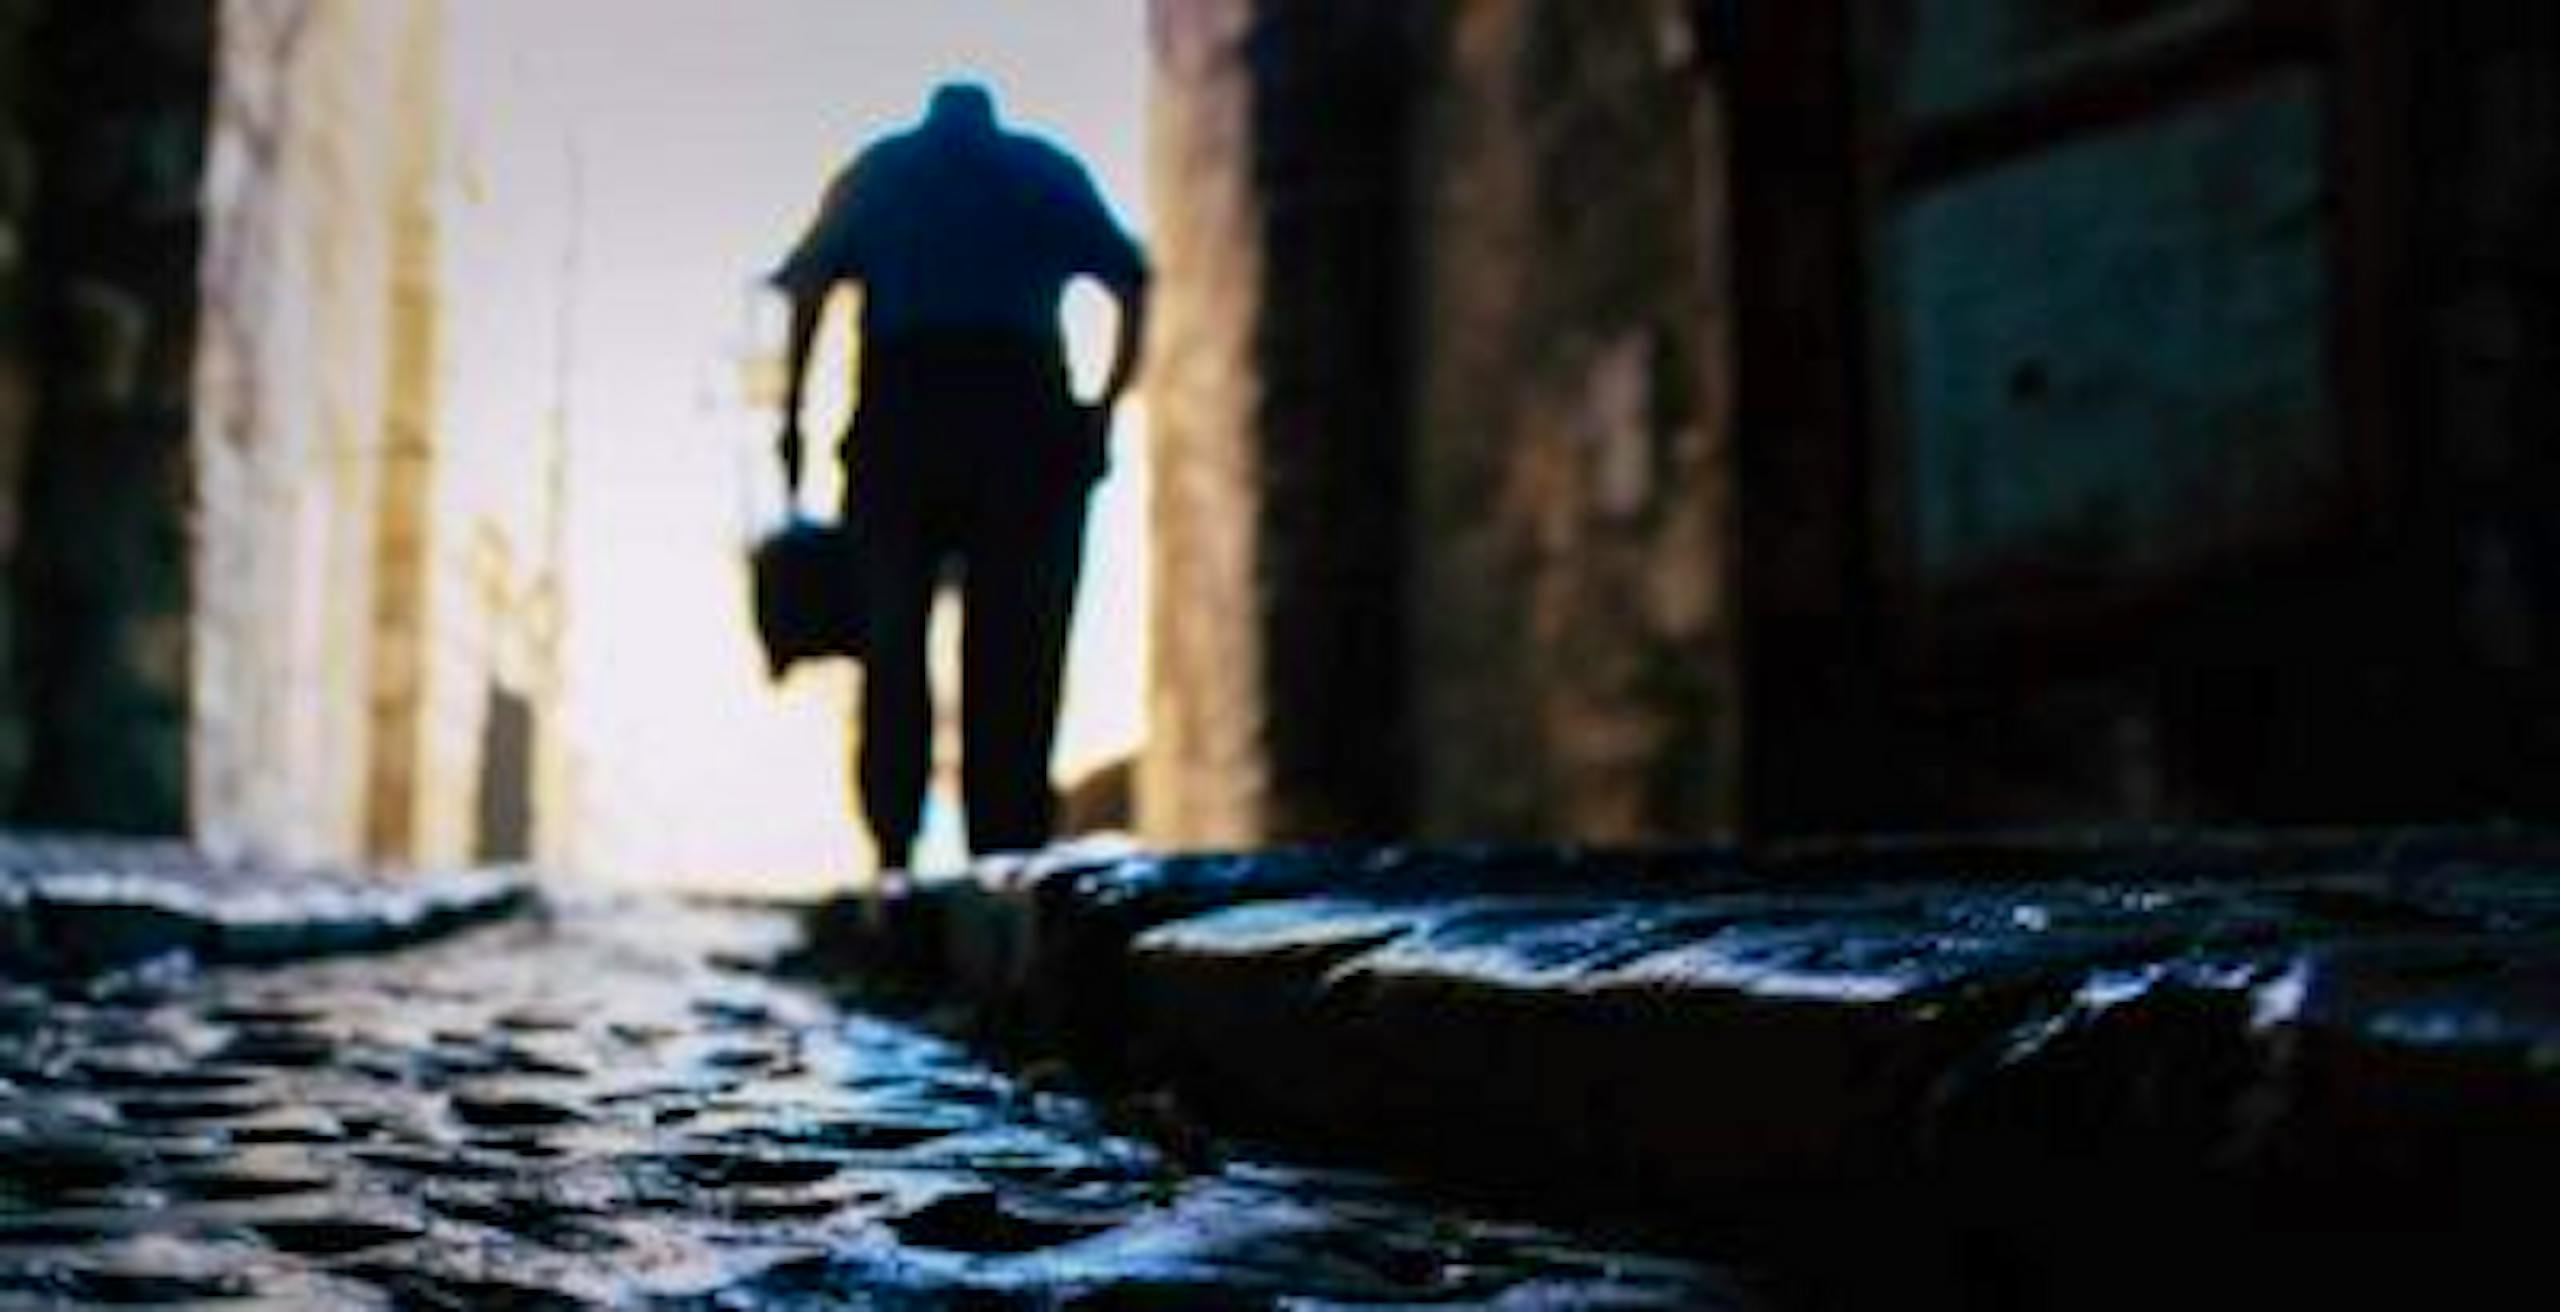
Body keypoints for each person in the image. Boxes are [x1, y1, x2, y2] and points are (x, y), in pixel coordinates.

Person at [770, 82, 1148, 872]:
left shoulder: (880, 172)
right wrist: (1101, 410)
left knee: (892, 638)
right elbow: (1131, 280)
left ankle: (894, 845)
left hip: (905, 419)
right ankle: (1003, 840)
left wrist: (793, 424)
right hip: (1021, 418)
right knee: (1017, 642)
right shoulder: (1044, 172)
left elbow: (808, 290)